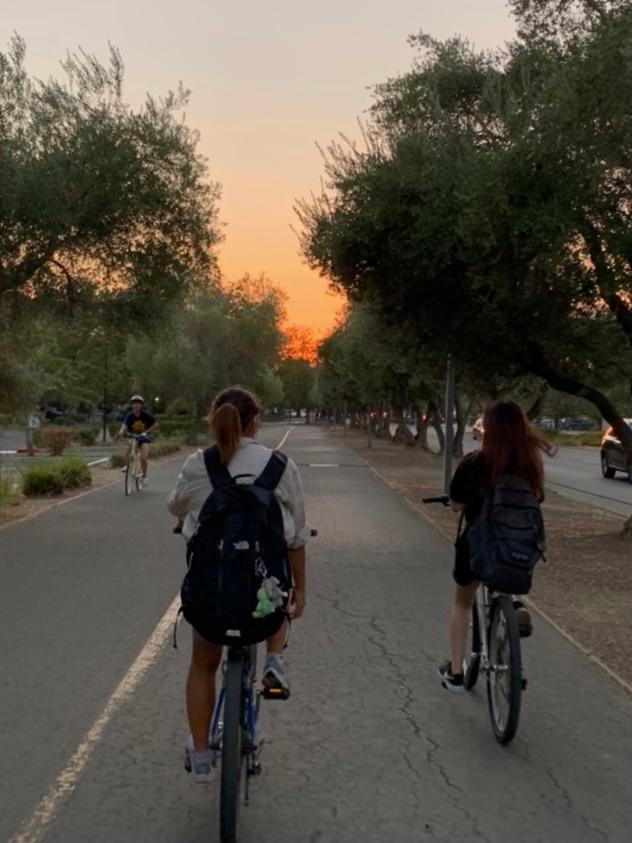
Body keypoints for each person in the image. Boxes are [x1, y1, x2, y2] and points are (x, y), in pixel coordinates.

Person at [167, 386, 309, 782]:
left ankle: (199, 756)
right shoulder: (280, 466)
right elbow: (296, 536)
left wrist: (185, 516)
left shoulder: (199, 464)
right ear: (256, 422)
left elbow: (176, 504)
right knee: (275, 583)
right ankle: (275, 661)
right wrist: (302, 590)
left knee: (202, 663)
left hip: (212, 597)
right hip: (264, 599)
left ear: (215, 421)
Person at [438, 400, 555, 692]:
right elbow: (537, 499)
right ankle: (512, 608)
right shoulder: (529, 464)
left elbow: (455, 503)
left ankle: (455, 671)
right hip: (517, 545)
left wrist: (461, 502)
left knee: (462, 601)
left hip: (477, 545)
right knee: (506, 573)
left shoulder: (476, 462)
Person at [118, 395, 157, 482]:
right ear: (132, 405)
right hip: (133, 436)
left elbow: (155, 424)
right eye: (134, 404)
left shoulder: (146, 415)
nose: (136, 405)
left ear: (141, 405)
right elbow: (124, 425)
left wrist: (146, 432)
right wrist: (121, 432)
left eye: (138, 404)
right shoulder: (129, 416)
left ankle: (144, 475)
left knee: (144, 457)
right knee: (128, 451)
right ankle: (127, 466)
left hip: (143, 438)